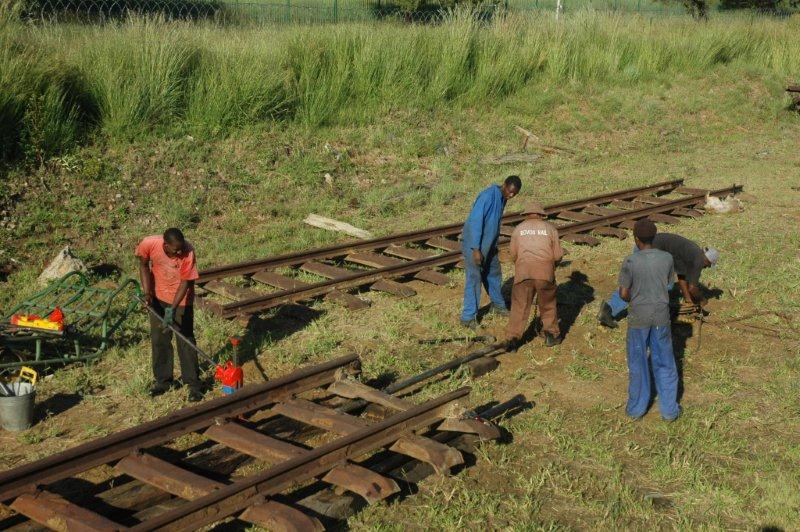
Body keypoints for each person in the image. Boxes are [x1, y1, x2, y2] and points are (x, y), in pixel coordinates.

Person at [618, 219, 681, 421]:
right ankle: (669, 411)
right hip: (661, 316)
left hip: (638, 316)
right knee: (665, 360)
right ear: (654, 237)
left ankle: (636, 409)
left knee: (638, 362)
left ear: (636, 239)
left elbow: (623, 293)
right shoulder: (667, 258)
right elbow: (669, 285)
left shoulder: (630, 261)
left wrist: (635, 298)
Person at [136, 228, 203, 402]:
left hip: (181, 300)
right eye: (175, 250)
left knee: (185, 340)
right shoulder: (149, 244)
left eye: (181, 249)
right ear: (165, 245)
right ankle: (163, 381)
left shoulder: (188, 251)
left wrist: (172, 309)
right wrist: (147, 293)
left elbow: (185, 283)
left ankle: (193, 384)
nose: (179, 252)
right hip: (158, 297)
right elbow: (143, 265)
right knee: (159, 339)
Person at [599, 232, 719, 328]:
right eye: (709, 265)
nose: (707, 267)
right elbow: (693, 288)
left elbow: (682, 276)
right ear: (707, 260)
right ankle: (611, 309)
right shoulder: (698, 260)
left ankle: (610, 307)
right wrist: (702, 300)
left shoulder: (692, 252)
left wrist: (688, 299)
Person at [460, 175, 522, 329]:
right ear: (504, 185)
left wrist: (493, 245)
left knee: (494, 273)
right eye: (509, 191)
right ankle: (468, 317)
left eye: (514, 194)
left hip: (489, 246)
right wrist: (476, 249)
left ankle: (498, 305)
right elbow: (475, 222)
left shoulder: (502, 198)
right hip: (475, 246)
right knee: (474, 279)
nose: (511, 195)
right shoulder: (487, 196)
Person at [505, 201, 564, 351]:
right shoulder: (550, 229)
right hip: (545, 274)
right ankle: (551, 335)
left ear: (526, 215)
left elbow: (512, 255)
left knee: (519, 307)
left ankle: (512, 341)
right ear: (541, 215)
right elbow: (558, 256)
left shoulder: (518, 229)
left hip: (523, 273)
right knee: (548, 305)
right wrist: (551, 267)